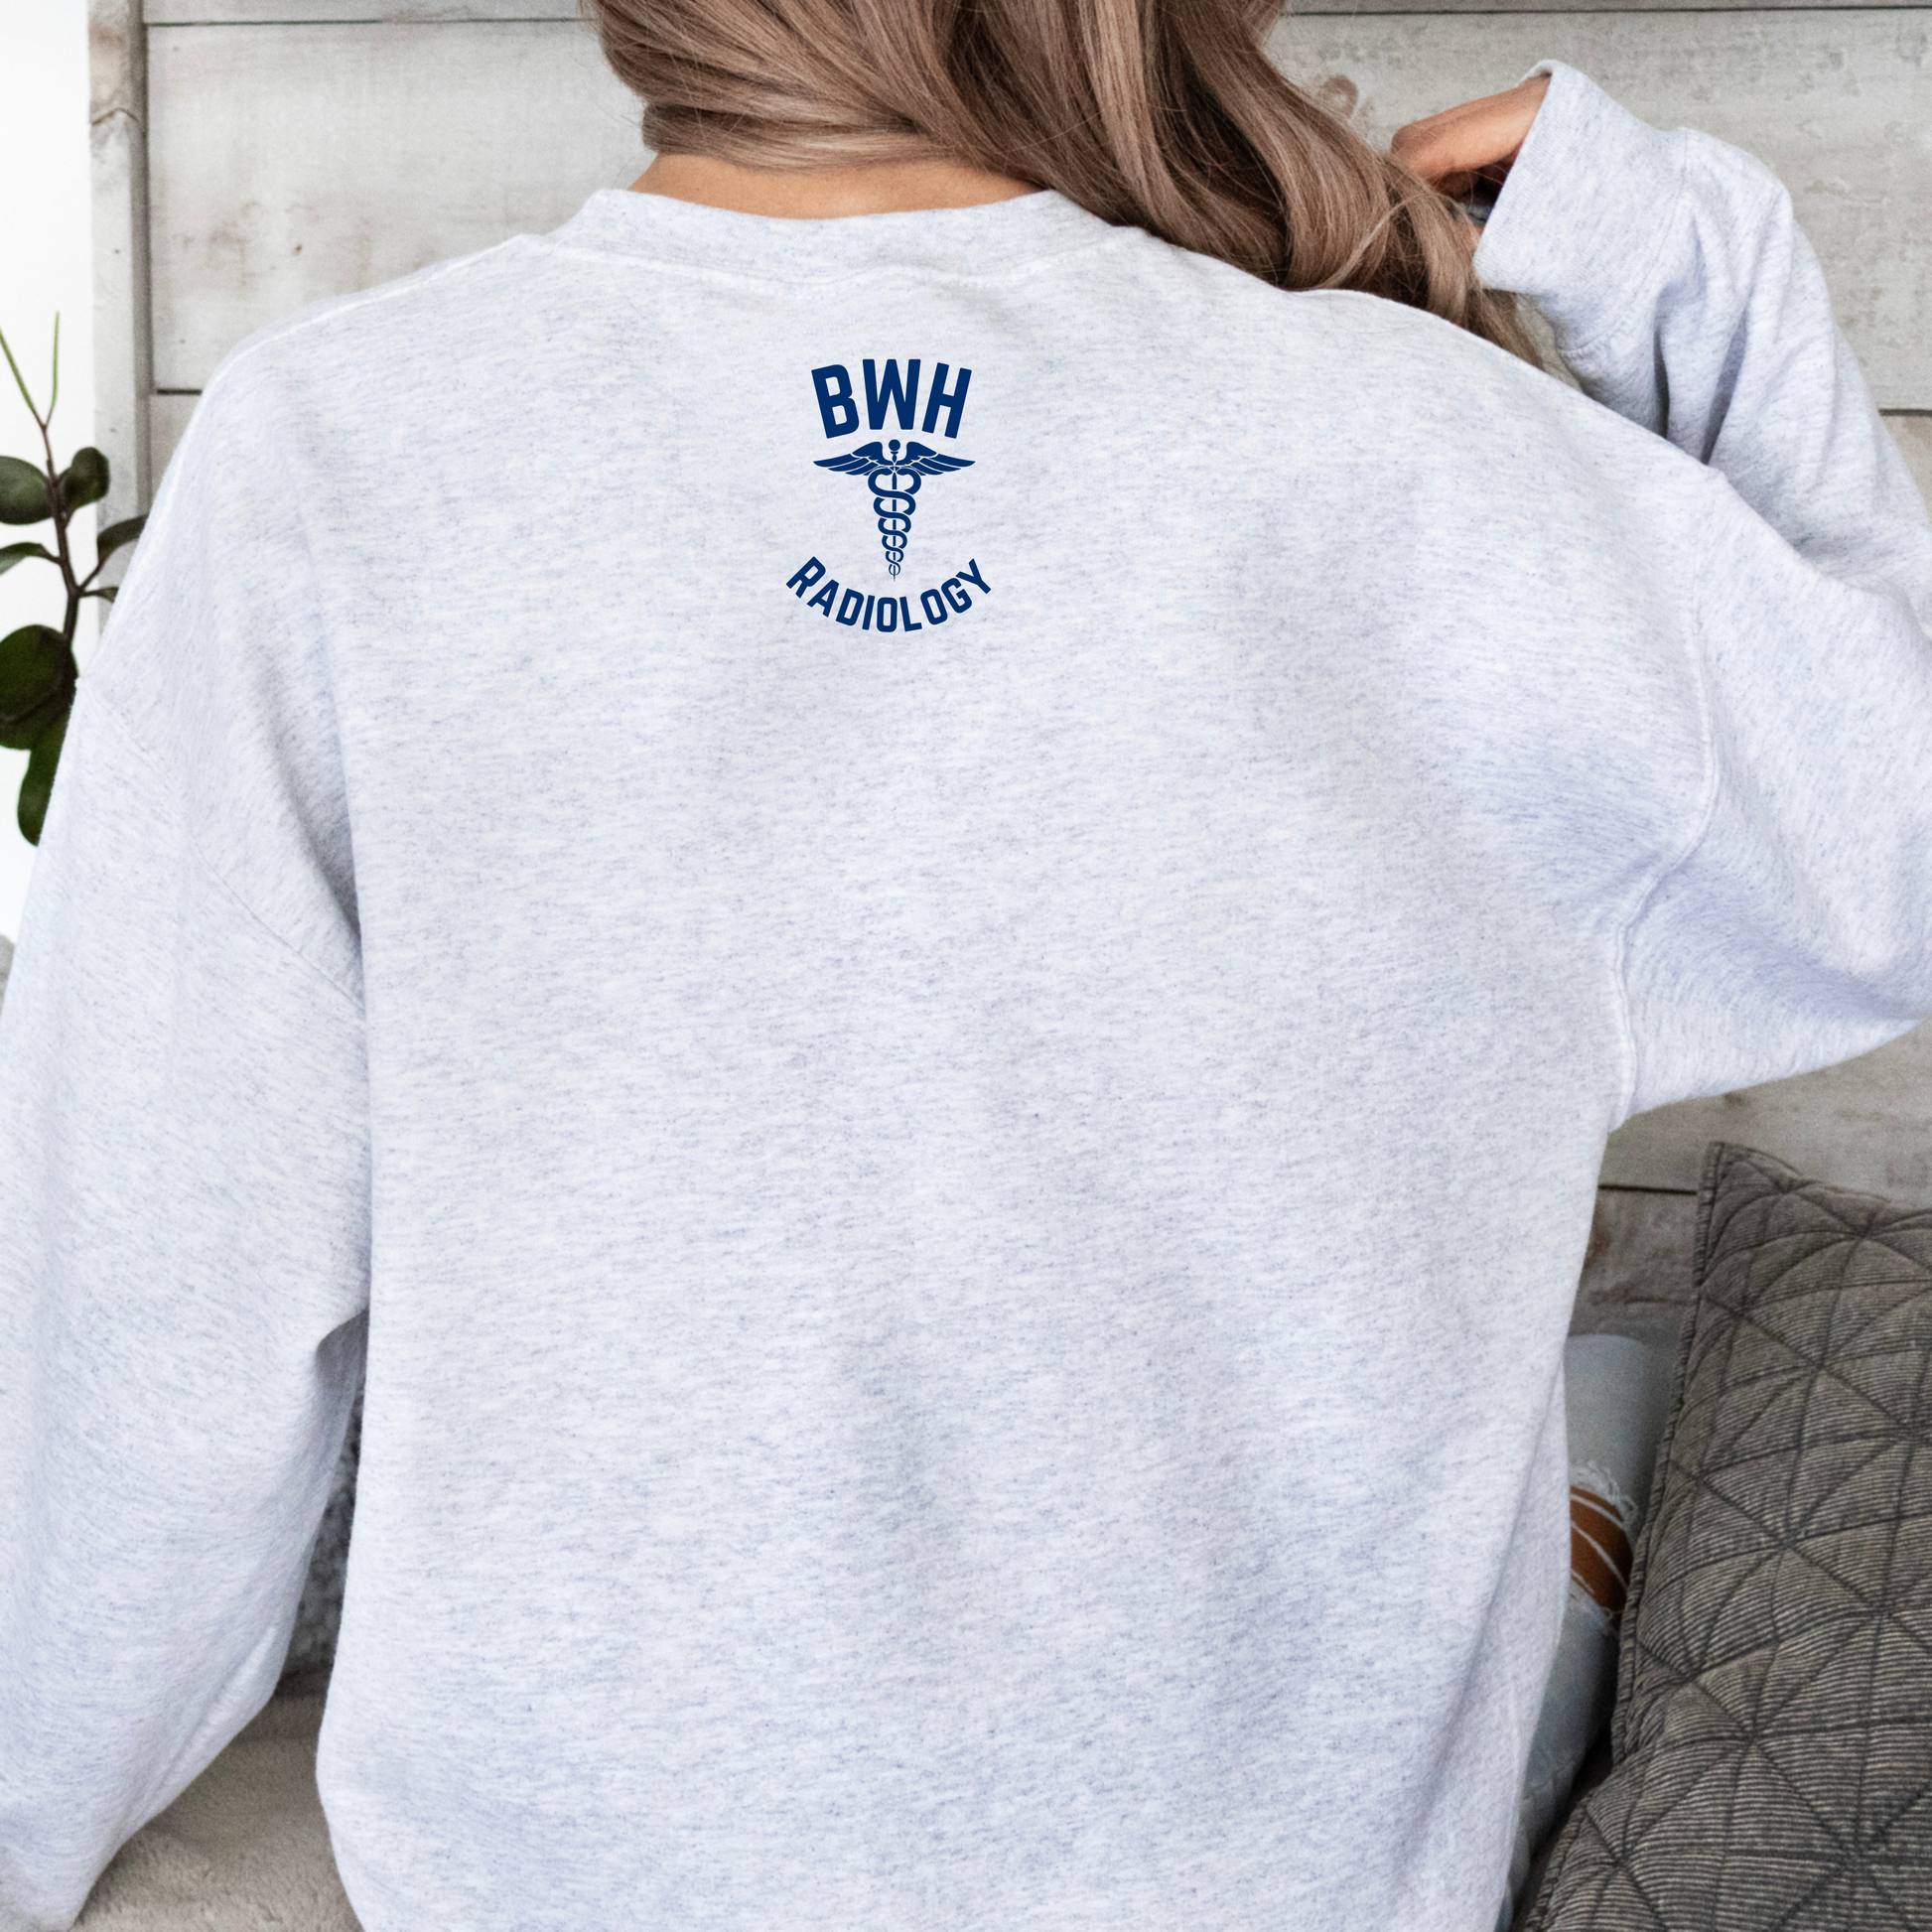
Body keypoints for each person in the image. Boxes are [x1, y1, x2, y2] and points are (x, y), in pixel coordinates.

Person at [1, 0, 1928, 1926]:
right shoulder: (1426, 451)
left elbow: (141, 1337)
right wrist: (1680, 256)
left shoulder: (343, 453)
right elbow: (1890, 860)